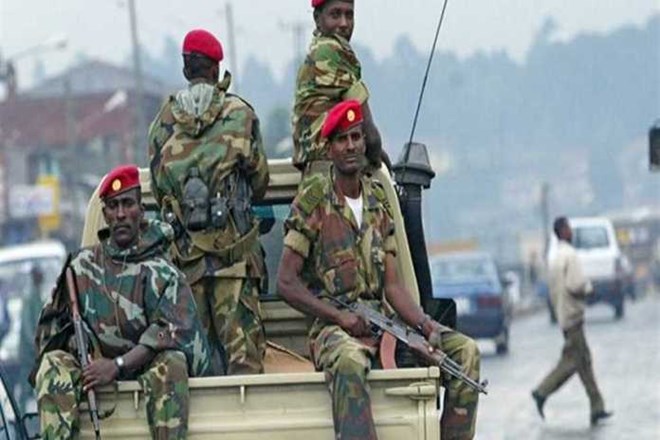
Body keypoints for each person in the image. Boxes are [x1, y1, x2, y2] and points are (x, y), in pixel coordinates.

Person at [277, 100, 481, 440]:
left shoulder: (378, 202)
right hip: (333, 327)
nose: (351, 146)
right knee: (349, 362)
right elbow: (286, 282)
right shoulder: (314, 201)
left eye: (356, 137)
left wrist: (425, 326)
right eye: (342, 139)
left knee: (465, 354)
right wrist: (339, 317)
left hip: (383, 322)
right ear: (329, 149)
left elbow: (393, 287)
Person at [32, 165, 211, 439]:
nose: (121, 214)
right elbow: (48, 332)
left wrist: (116, 365)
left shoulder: (162, 272)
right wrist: (77, 345)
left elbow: (171, 333)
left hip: (146, 370)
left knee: (172, 362)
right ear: (105, 214)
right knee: (52, 363)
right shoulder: (81, 267)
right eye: (113, 206)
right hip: (93, 373)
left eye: (128, 204)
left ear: (141, 209)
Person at [148, 29, 269, 375]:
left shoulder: (162, 123)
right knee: (245, 365)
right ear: (216, 70)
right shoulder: (241, 114)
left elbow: (158, 190)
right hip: (234, 264)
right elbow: (259, 183)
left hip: (185, 268)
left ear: (186, 69)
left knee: (191, 367)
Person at [531, 217, 612, 426]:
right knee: (575, 361)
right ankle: (542, 391)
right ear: (563, 231)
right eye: (568, 228)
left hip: (564, 315)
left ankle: (597, 406)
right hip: (573, 316)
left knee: (583, 361)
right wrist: (589, 289)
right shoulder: (570, 255)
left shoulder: (555, 256)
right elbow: (576, 284)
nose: (571, 232)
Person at [292, 0, 387, 177]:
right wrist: (379, 163)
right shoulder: (331, 50)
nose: (344, 23)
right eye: (335, 15)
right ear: (317, 19)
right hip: (333, 171)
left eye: (349, 15)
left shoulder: (315, 50)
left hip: (316, 170)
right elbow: (371, 136)